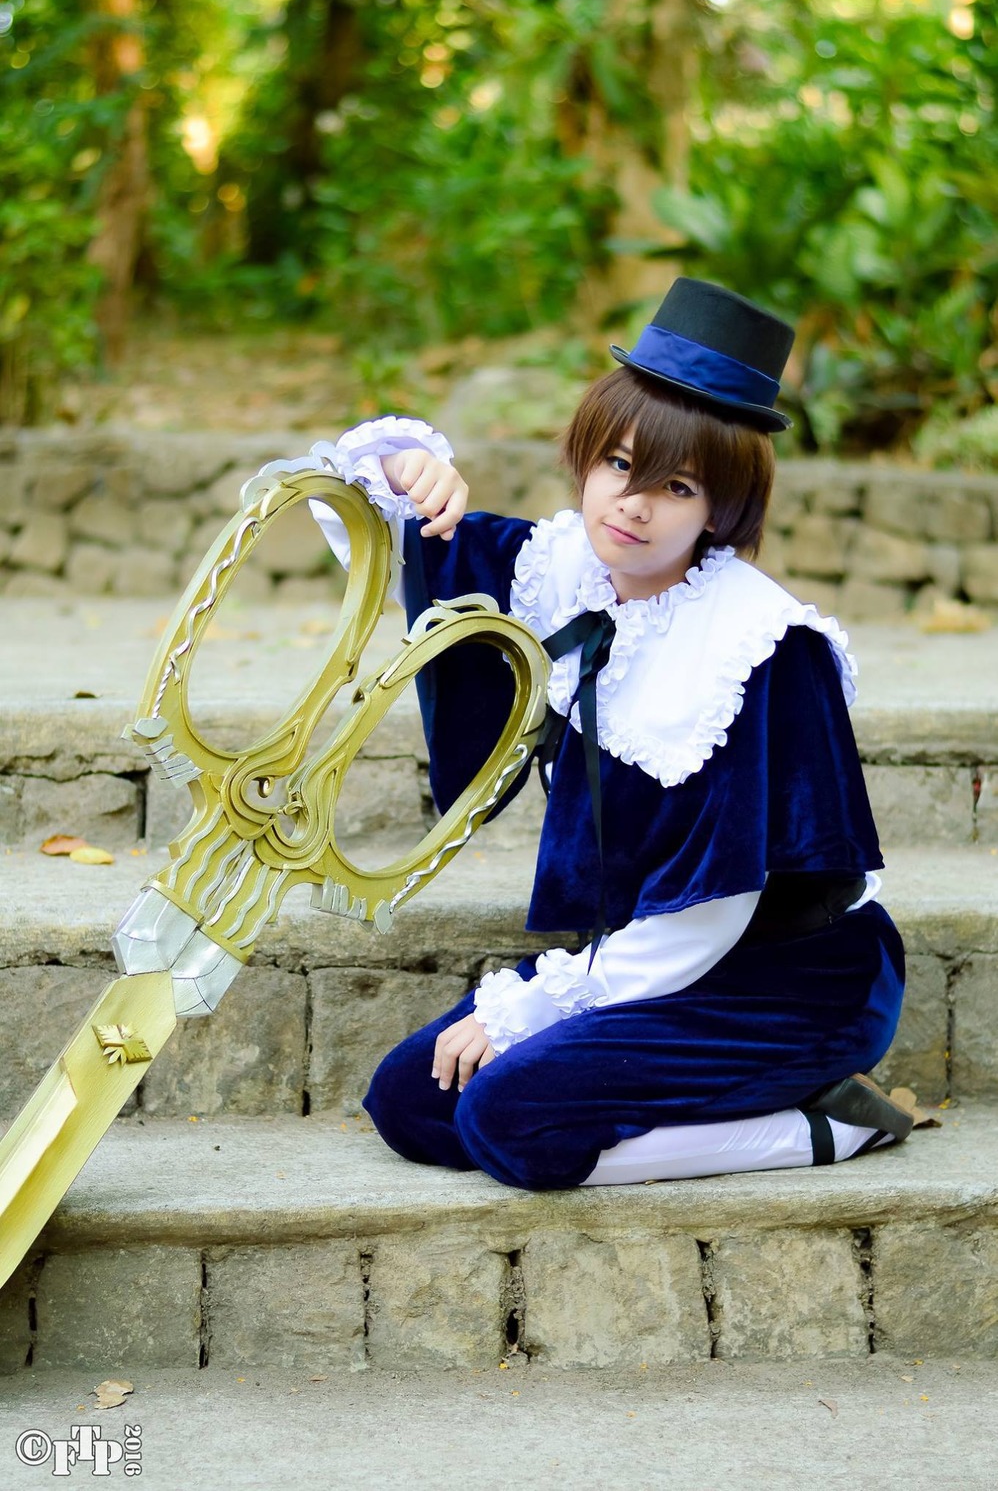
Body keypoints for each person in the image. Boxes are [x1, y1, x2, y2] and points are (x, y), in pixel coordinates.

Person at [285, 278, 911, 1190]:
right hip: (648, 965)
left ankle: (825, 1126)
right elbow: (376, 533)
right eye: (619, 464)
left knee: (511, 1120)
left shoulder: (761, 647)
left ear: (719, 511)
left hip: (786, 983)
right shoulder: (563, 570)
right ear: (588, 458)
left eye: (677, 485)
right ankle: (633, 1105)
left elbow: (713, 911)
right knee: (410, 1102)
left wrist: (532, 1010)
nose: (633, 504)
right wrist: (407, 472)